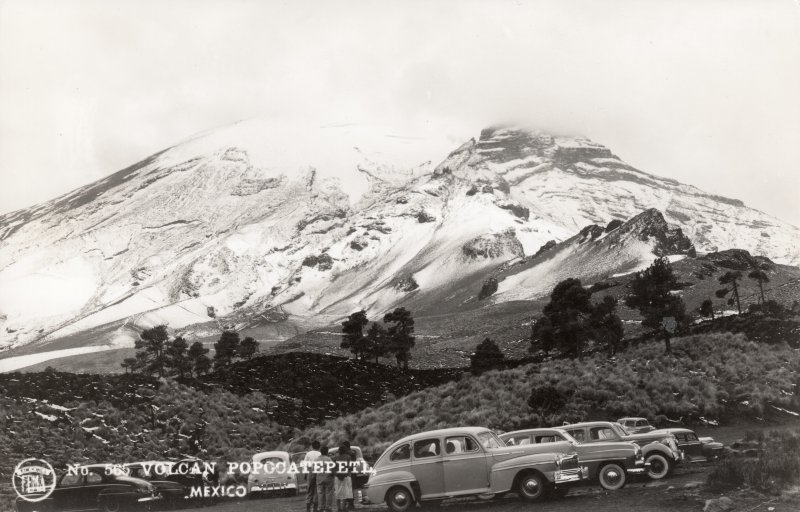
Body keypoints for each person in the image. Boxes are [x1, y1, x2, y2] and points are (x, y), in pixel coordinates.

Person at [333, 441, 354, 512]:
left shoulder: (335, 458)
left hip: (337, 477)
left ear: (339, 451)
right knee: (345, 493)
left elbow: (333, 468)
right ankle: (344, 508)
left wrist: (337, 474)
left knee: (338, 493)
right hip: (346, 476)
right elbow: (350, 467)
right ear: (345, 450)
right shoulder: (348, 457)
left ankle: (338, 508)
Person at [303, 440, 321, 512]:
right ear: (319, 447)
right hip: (318, 472)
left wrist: (305, 474)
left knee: (310, 490)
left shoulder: (308, 454)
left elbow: (305, 464)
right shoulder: (320, 453)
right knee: (317, 490)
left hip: (310, 472)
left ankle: (308, 508)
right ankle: (315, 508)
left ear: (312, 446)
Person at [316, 446, 335, 512]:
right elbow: (333, 467)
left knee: (320, 493)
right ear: (327, 452)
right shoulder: (328, 459)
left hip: (319, 478)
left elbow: (313, 469)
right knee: (328, 493)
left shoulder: (316, 459)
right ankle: (328, 507)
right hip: (328, 478)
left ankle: (321, 507)